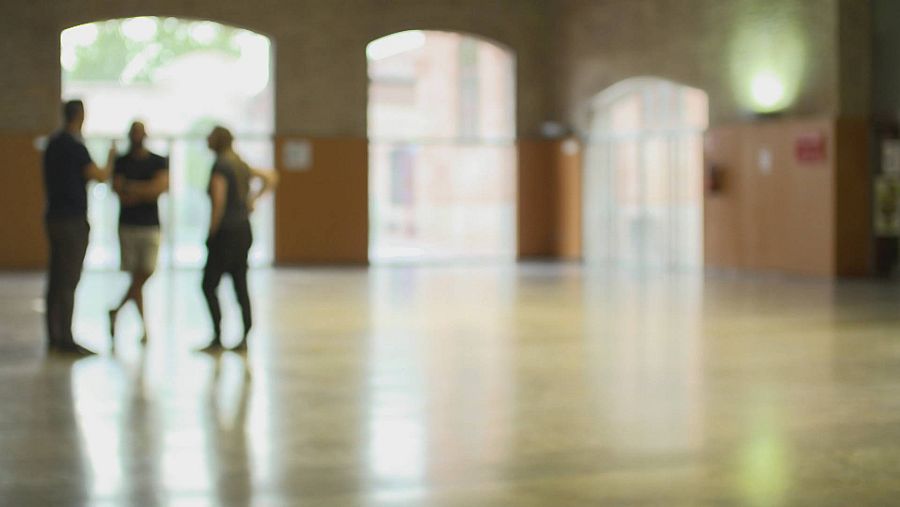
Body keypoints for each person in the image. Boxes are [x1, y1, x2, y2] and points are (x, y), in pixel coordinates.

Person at [42, 99, 116, 355]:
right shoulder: (74, 147)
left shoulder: (52, 143)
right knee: (68, 279)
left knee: (56, 278)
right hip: (71, 220)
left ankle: (54, 335)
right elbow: (100, 175)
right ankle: (65, 338)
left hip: (53, 217)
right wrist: (111, 158)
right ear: (81, 116)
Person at [199, 126, 277, 352]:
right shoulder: (240, 164)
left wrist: (211, 233)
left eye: (210, 138)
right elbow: (271, 177)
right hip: (243, 230)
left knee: (208, 285)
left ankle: (217, 335)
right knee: (240, 283)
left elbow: (218, 202)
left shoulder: (221, 166)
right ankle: (244, 335)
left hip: (225, 232)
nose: (207, 141)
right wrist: (252, 199)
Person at [108, 121, 169, 345]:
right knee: (136, 276)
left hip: (151, 226)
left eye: (140, 132)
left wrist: (132, 187)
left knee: (144, 273)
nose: (137, 136)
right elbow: (118, 190)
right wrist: (146, 189)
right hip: (128, 226)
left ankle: (116, 309)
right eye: (134, 132)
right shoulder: (122, 161)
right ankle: (144, 328)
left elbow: (159, 189)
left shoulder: (158, 160)